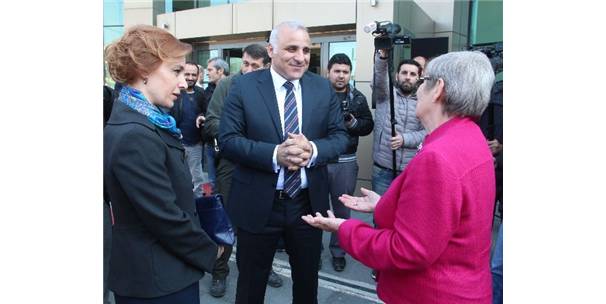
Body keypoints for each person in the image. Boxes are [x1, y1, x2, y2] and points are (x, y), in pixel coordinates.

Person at [303, 51, 496, 304]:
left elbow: (407, 250)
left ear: (437, 89)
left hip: (432, 294)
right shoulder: (471, 138)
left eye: (422, 80)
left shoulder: (437, 157)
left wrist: (345, 227)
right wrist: (384, 204)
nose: (417, 88)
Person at [219, 21, 348, 304]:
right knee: (251, 287)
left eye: (305, 50)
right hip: (258, 205)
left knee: (307, 285)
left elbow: (340, 137)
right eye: (291, 48)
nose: (300, 57)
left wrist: (312, 149)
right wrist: (274, 154)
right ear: (271, 49)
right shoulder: (243, 86)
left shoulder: (321, 88)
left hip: (307, 205)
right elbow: (227, 140)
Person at [103, 25, 222, 304]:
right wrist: (211, 250)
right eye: (175, 71)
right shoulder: (134, 133)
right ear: (144, 69)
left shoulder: (147, 120)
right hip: (156, 281)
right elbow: (163, 216)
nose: (184, 82)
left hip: (163, 272)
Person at [202, 43, 282, 297]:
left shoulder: (274, 87)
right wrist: (237, 137)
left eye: (254, 66)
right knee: (226, 221)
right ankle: (219, 271)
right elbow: (211, 122)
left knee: (263, 221)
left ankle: (264, 267)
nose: (248, 70)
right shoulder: (228, 85)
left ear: (266, 65)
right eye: (245, 64)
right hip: (231, 163)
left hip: (264, 165)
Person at [324, 53, 373, 272]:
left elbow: (368, 125)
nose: (341, 76)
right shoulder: (317, 94)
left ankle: (338, 252)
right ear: (328, 72)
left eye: (345, 71)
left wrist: (353, 122)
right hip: (319, 159)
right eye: (337, 71)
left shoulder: (358, 97)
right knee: (315, 207)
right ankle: (312, 251)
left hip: (346, 160)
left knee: (342, 210)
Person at [371, 52, 426, 195]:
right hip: (383, 170)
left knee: (405, 215)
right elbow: (381, 79)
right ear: (397, 75)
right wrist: (382, 58)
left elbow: (428, 133)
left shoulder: (424, 102)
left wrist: (404, 139)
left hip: (410, 171)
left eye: (413, 74)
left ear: (419, 78)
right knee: (380, 214)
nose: (408, 77)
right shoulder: (386, 95)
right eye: (404, 73)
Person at [170, 62, 209, 198]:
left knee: (197, 177)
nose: (190, 77)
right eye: (187, 74)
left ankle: (198, 205)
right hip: (175, 142)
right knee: (176, 175)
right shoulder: (173, 92)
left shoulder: (201, 93)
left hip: (195, 143)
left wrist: (202, 116)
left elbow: (206, 111)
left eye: (194, 74)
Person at [202, 57, 229, 191]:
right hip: (210, 143)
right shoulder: (207, 90)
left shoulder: (234, 89)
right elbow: (206, 112)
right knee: (212, 183)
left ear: (220, 71)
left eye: (210, 70)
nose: (208, 73)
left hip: (226, 146)